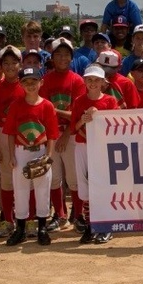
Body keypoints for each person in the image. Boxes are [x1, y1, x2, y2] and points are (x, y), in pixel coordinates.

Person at [2, 67, 60, 246]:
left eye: (34, 81)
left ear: (41, 82)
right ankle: (20, 228)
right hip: (21, 151)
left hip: (40, 150)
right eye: (26, 82)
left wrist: (49, 156)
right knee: (20, 191)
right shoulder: (16, 105)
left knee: (42, 190)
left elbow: (52, 134)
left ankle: (42, 226)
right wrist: (12, 155)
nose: (30, 85)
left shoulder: (47, 105)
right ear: (21, 84)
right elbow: (11, 133)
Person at [69, 65, 120, 244]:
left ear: (103, 83)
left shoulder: (109, 101)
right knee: (85, 186)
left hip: (102, 147)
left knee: (103, 186)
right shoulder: (79, 101)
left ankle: (107, 226)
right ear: (84, 81)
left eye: (96, 80)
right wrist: (82, 120)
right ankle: (91, 225)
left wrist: (100, 117)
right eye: (89, 80)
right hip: (83, 145)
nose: (93, 83)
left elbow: (115, 127)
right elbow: (72, 129)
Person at [40, 37, 87, 231]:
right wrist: (53, 136)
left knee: (74, 178)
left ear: (71, 58)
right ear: (52, 57)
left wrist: (66, 133)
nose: (62, 57)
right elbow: (42, 112)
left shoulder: (77, 80)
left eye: (66, 54)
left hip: (71, 134)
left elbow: (76, 114)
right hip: (52, 135)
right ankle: (59, 215)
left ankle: (79, 215)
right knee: (55, 177)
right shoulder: (47, 80)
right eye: (58, 54)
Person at [0, 45, 25, 239]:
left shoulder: (27, 86)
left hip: (26, 135)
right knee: (7, 180)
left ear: (21, 64)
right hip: (3, 134)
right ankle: (9, 220)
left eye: (14, 62)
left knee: (28, 178)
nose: (10, 66)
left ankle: (29, 220)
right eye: (6, 63)